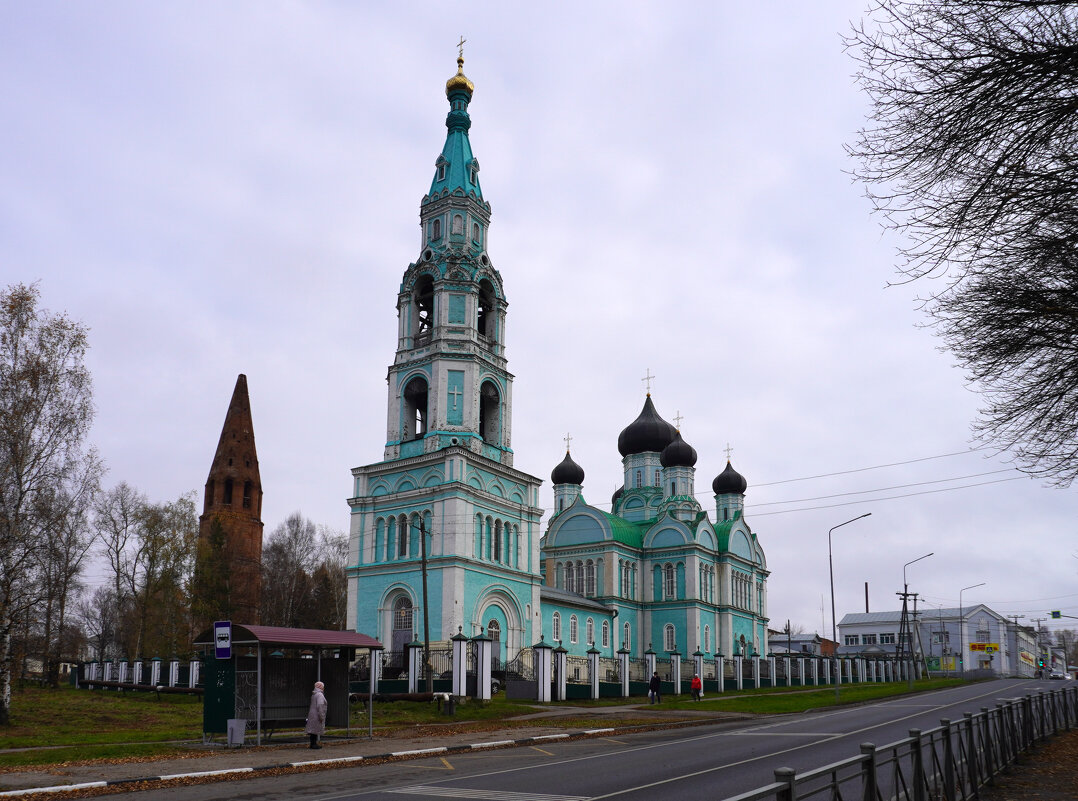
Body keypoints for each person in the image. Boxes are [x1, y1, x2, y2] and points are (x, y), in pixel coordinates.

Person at [306, 681, 327, 749]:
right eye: (323, 687)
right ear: (321, 687)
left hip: (312, 714)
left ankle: (312, 743)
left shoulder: (314, 694)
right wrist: (322, 715)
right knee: (315, 730)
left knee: (313, 730)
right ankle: (314, 744)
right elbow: (320, 705)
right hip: (317, 714)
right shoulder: (320, 695)